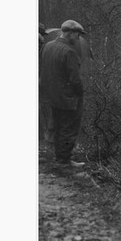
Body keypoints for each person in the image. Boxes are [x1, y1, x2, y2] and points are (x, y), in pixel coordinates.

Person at [39, 20, 87, 168]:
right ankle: (64, 161)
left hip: (51, 96)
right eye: (77, 34)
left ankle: (59, 157)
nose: (78, 38)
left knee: (57, 126)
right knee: (68, 128)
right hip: (68, 98)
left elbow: (43, 69)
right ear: (70, 33)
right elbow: (75, 80)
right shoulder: (69, 52)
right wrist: (80, 94)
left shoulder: (48, 46)